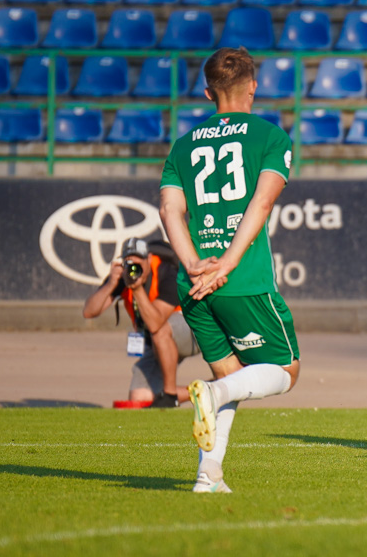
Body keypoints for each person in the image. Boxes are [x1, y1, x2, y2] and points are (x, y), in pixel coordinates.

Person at [159, 47, 301, 494]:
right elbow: (261, 204)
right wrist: (228, 263)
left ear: (207, 93)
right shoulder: (271, 137)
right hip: (242, 280)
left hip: (193, 282)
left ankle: (208, 475)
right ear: (253, 87)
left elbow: (168, 209)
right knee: (286, 370)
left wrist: (195, 265)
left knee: (231, 375)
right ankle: (213, 398)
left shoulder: (183, 145)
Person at [82, 237, 200, 408]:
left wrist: (136, 289)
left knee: (160, 331)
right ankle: (205, 390)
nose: (134, 269)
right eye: (129, 263)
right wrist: (110, 284)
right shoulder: (123, 277)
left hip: (190, 333)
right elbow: (89, 312)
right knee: (139, 397)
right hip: (158, 343)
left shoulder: (167, 272)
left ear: (149, 259)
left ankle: (169, 394)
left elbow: (155, 323)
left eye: (139, 263)